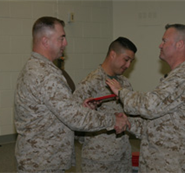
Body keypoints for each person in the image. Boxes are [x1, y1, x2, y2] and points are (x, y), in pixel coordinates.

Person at [14, 16, 129, 173]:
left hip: (42, 158)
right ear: (45, 41)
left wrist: (81, 107)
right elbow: (75, 118)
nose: (65, 43)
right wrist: (112, 120)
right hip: (43, 162)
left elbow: (56, 110)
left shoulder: (36, 67)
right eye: (61, 38)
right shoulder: (45, 74)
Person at [105, 24, 185, 173]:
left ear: (179, 45)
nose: (160, 45)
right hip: (161, 164)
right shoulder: (176, 77)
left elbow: (150, 106)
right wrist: (127, 122)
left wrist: (122, 93)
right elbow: (155, 125)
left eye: (164, 41)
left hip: (173, 166)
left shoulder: (184, 77)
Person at [73, 37, 137, 173]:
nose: (128, 65)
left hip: (123, 157)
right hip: (99, 161)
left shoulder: (124, 84)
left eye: (131, 61)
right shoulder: (90, 84)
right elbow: (75, 124)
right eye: (126, 59)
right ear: (113, 54)